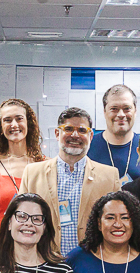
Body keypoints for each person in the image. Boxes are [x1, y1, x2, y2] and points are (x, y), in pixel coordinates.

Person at [20, 108, 119, 252]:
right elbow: (22, 221)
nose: (75, 135)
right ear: (56, 134)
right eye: (68, 129)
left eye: (82, 130)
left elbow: (116, 224)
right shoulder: (32, 173)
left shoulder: (110, 176)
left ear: (91, 136)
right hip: (45, 262)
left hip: (92, 261)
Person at [0, 98, 43, 257]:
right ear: (0, 127)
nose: (14, 124)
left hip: (36, 249)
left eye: (19, 118)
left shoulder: (45, 165)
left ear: (29, 124)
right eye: (7, 120)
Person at [87, 83, 140, 181]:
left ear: (135, 111)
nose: (121, 114)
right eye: (114, 109)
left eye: (127, 109)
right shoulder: (87, 146)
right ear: (104, 112)